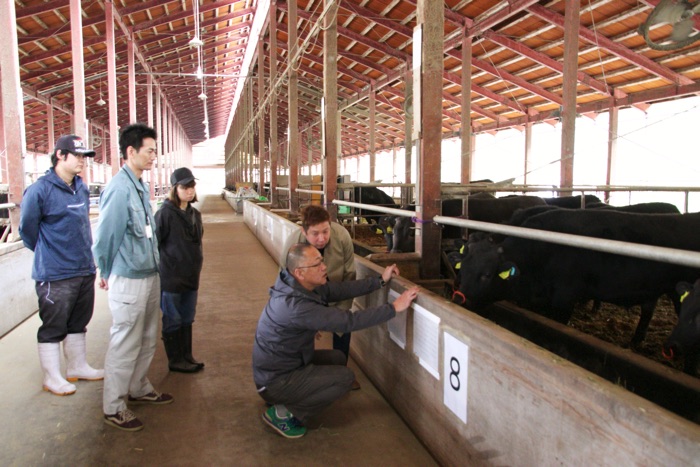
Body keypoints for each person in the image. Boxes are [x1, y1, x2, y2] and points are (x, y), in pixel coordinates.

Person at [253, 243, 419, 438]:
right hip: (275, 381)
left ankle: (289, 397)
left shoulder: (296, 285)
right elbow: (348, 321)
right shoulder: (296, 306)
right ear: (300, 272)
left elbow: (337, 290)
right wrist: (393, 308)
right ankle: (285, 414)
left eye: (322, 261)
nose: (324, 267)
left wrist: (379, 281)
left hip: (285, 365)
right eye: (316, 265)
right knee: (345, 378)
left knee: (338, 358)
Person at [93, 123, 173, 432]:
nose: (154, 156)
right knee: (125, 340)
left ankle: (139, 387)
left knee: (147, 336)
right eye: (150, 150)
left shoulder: (140, 185)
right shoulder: (119, 188)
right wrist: (104, 269)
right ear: (131, 151)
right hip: (128, 277)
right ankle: (113, 406)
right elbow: (105, 236)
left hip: (149, 273)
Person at [19, 135, 104, 397]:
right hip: (55, 275)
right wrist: (51, 253)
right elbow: (27, 231)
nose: (82, 161)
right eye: (77, 155)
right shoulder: (40, 190)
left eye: (84, 156)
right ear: (59, 155)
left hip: (83, 268)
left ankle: (77, 367)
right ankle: (51, 376)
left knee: (79, 321)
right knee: (54, 325)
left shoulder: (80, 186)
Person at [281, 205, 360, 388]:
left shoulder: (342, 237)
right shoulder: (293, 245)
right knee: (302, 332)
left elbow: (350, 275)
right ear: (304, 231)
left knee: (343, 326)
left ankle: (343, 372)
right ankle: (302, 370)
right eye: (315, 233)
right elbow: (287, 281)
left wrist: (340, 310)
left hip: (336, 287)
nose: (322, 238)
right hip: (306, 294)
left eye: (326, 231)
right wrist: (306, 315)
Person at [154, 167, 204, 373]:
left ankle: (187, 355)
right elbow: (155, 244)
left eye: (192, 186)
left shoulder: (195, 214)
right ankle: (175, 360)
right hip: (172, 277)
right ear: (175, 189)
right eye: (185, 187)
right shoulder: (164, 214)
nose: (190, 191)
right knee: (172, 317)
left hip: (191, 276)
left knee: (187, 316)